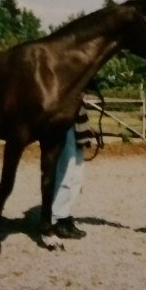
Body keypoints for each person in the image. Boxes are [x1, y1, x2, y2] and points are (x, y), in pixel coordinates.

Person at [51, 100, 94, 239]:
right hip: (63, 117)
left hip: (76, 116)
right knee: (66, 168)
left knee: (77, 171)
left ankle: (64, 214)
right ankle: (57, 218)